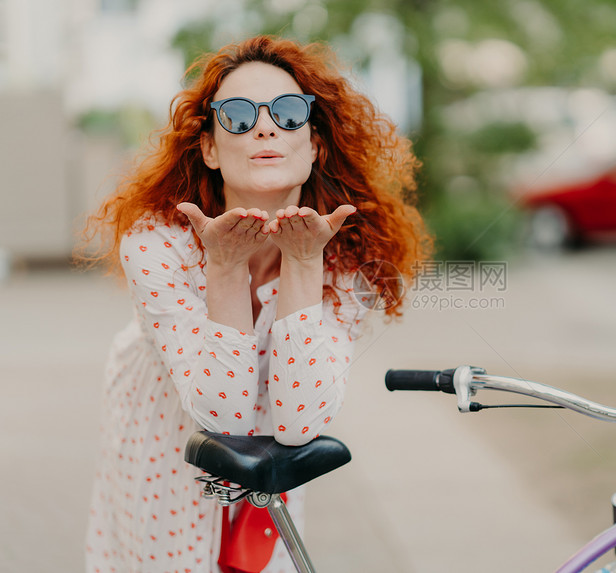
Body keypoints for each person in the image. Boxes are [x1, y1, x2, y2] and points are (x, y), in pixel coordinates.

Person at [82, 35, 430, 572]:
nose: (266, 127)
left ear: (314, 144)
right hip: (164, 448)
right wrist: (223, 268)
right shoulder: (159, 243)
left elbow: (298, 425)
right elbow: (221, 417)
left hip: (272, 459)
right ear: (211, 149)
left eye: (289, 113)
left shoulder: (347, 256)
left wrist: (303, 264)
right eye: (239, 116)